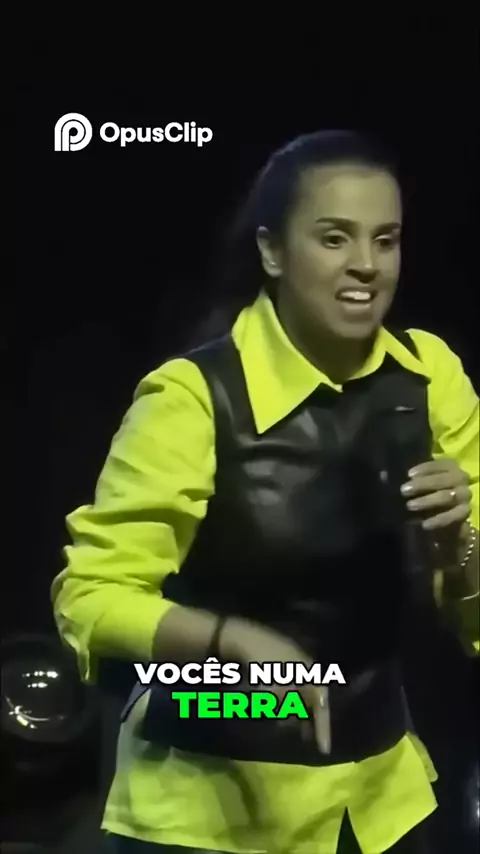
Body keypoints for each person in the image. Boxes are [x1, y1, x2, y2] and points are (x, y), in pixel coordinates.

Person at [51, 130, 479, 854]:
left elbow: (472, 613)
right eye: (335, 238)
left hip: (379, 800)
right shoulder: (192, 397)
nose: (367, 264)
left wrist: (457, 545)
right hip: (206, 808)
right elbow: (89, 597)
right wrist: (233, 643)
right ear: (273, 252)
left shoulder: (429, 376)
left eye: (386, 240)